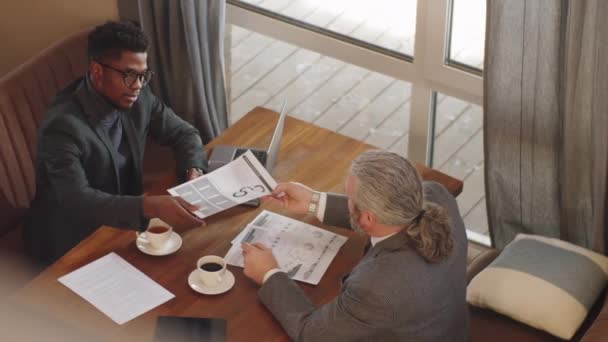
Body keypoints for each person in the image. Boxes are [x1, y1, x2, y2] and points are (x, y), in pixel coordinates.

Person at [25, 21, 207, 263]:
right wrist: (148, 207)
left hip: (124, 222)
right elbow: (76, 200)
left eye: (143, 76)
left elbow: (184, 133)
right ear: (97, 71)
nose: (138, 86)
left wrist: (193, 170)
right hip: (73, 240)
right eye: (130, 75)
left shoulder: (137, 96)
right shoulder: (62, 128)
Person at [242, 151, 468, 341]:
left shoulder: (377, 288)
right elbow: (379, 211)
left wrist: (269, 274)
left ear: (368, 218)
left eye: (349, 197)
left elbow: (310, 333)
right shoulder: (436, 196)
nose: (347, 200)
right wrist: (314, 201)